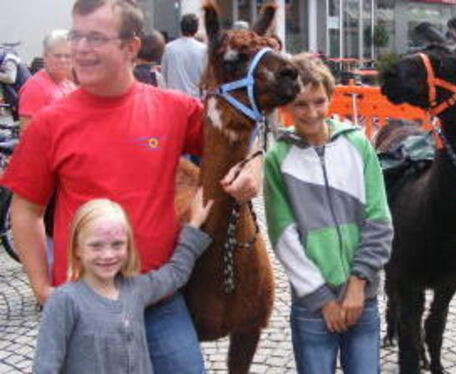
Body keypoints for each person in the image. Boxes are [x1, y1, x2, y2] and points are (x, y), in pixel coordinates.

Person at [0, 1, 261, 373]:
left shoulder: (173, 109)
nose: (81, 48)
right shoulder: (49, 124)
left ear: (131, 48)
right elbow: (25, 211)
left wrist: (257, 162)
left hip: (159, 297)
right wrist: (42, 287)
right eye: (77, 36)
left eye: (96, 37)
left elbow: (232, 142)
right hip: (85, 304)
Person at [264, 53, 393, 374]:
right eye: (300, 104)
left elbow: (379, 219)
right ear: (286, 106)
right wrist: (323, 300)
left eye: (319, 102)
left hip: (362, 296)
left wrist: (358, 283)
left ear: (331, 97)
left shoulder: (358, 145)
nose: (311, 113)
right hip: (312, 305)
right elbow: (284, 239)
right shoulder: (278, 159)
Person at [33, 190, 213, 373]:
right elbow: (45, 365)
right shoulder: (64, 301)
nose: (108, 255)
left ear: (129, 246)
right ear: (77, 249)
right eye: (96, 246)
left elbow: (174, 274)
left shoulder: (136, 289)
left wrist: (194, 224)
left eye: (117, 244)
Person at [18, 29, 77, 132]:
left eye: (68, 56)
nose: (63, 60)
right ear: (45, 56)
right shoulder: (35, 88)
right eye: (57, 56)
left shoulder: (69, 85)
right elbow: (28, 135)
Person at [161, 13, 207, 98]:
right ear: (196, 29)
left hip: (174, 99)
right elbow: (206, 79)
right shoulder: (204, 50)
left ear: (181, 28)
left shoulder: (169, 48)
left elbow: (163, 76)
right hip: (195, 100)